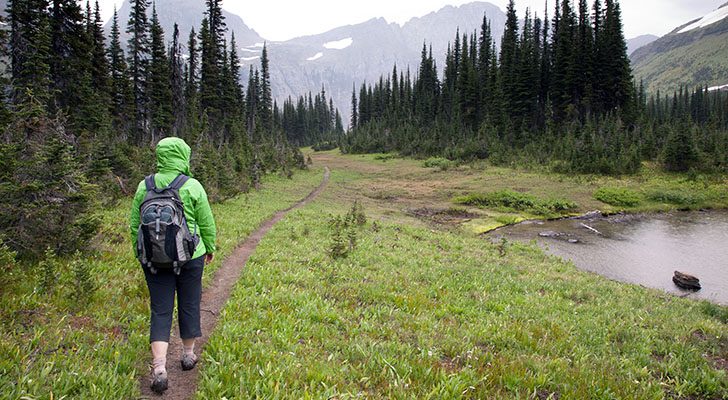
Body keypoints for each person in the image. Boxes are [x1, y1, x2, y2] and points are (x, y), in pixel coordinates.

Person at [130, 137, 216, 394]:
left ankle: (159, 368)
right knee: (189, 302)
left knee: (160, 309)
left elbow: (135, 226)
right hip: (191, 257)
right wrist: (209, 247)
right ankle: (188, 355)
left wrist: (142, 254)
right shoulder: (192, 186)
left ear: (160, 156)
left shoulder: (143, 186)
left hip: (154, 261)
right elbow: (206, 221)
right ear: (183, 156)